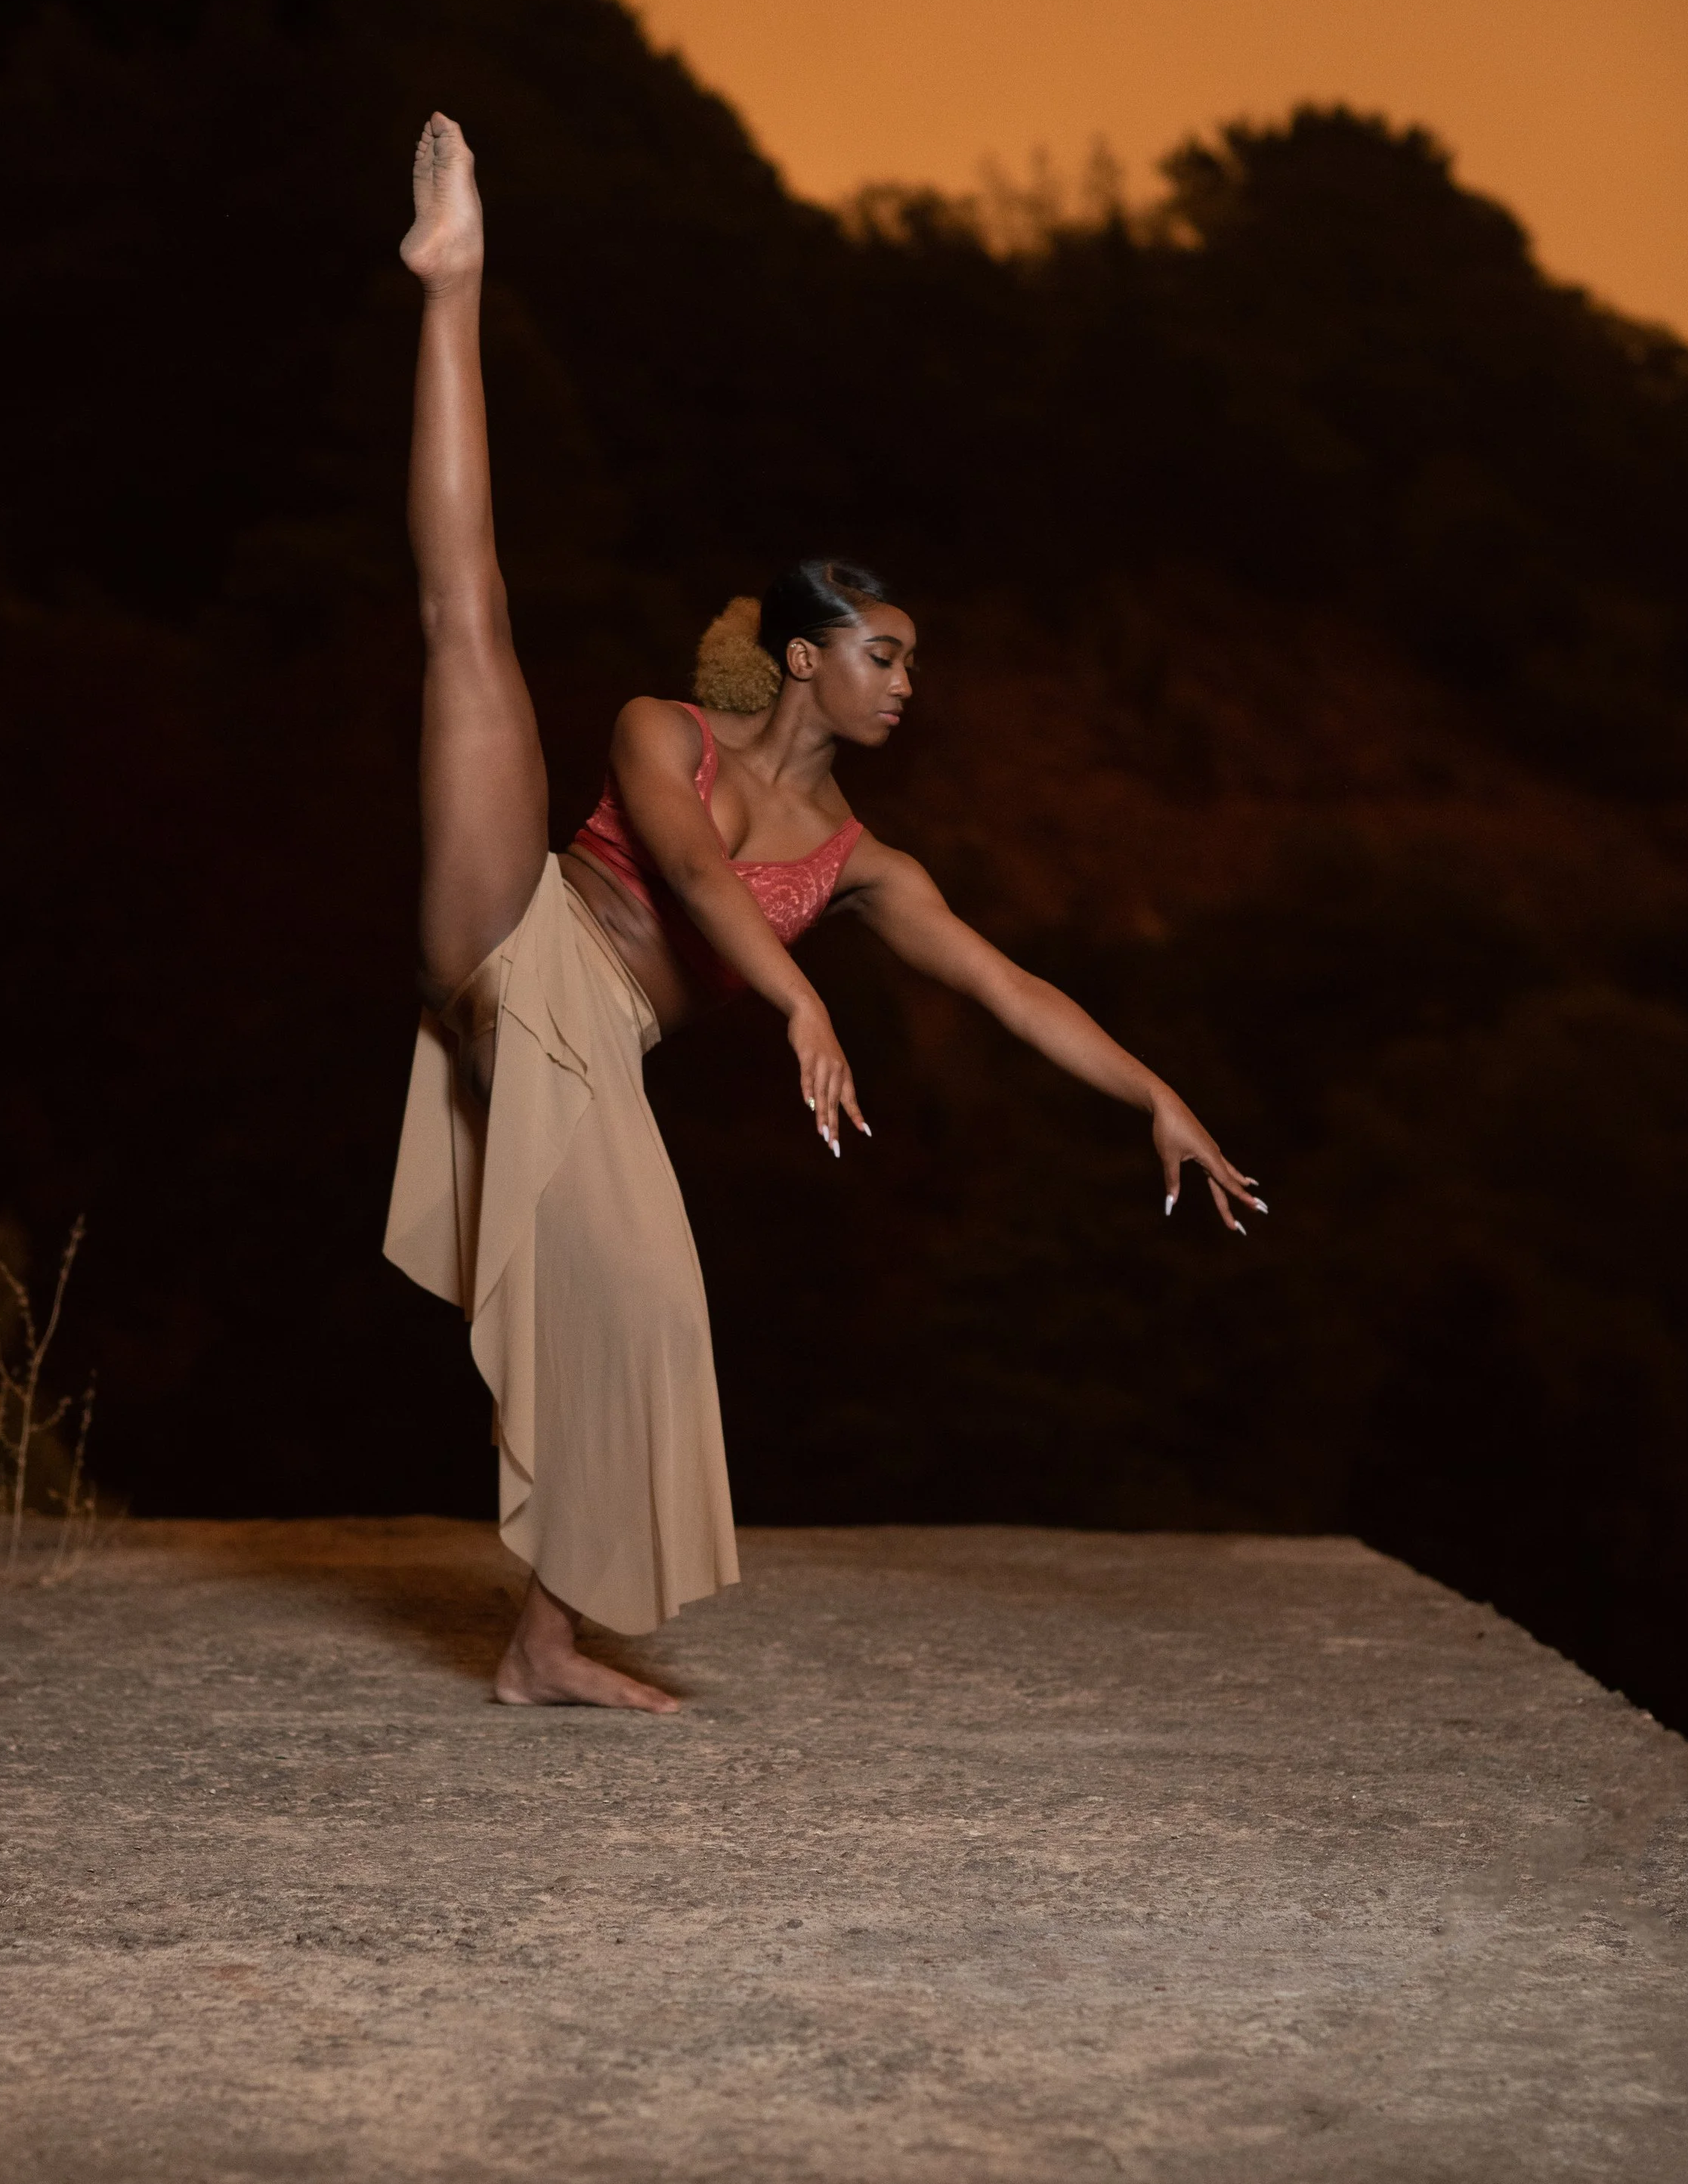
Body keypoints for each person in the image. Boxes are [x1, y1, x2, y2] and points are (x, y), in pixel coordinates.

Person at [384, 114, 1264, 1715]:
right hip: (518, 950)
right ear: (805, 658)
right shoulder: (667, 730)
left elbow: (1008, 990)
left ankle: (540, 1647)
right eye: (884, 656)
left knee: (648, 1302)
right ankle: (451, 283)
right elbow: (695, 873)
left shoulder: (865, 865)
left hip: (596, 1054)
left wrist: (1159, 1098)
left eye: (912, 663)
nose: (905, 685)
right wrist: (794, 1002)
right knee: (470, 633)